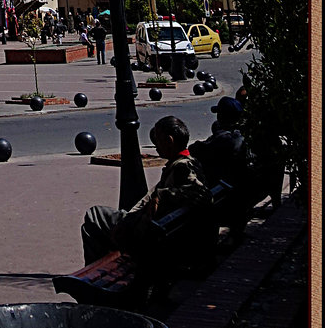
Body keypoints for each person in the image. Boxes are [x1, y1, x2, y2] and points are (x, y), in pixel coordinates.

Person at [80, 116, 210, 264]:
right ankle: (100, 269)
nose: (156, 146)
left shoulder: (183, 167)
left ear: (169, 141)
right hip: (161, 231)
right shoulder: (191, 162)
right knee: (96, 219)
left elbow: (200, 194)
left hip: (149, 235)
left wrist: (162, 195)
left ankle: (95, 272)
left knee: (94, 215)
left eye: (158, 140)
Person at [192, 98, 254, 193]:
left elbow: (195, 149)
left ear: (220, 116)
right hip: (246, 186)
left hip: (225, 191)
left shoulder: (224, 139)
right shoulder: (245, 136)